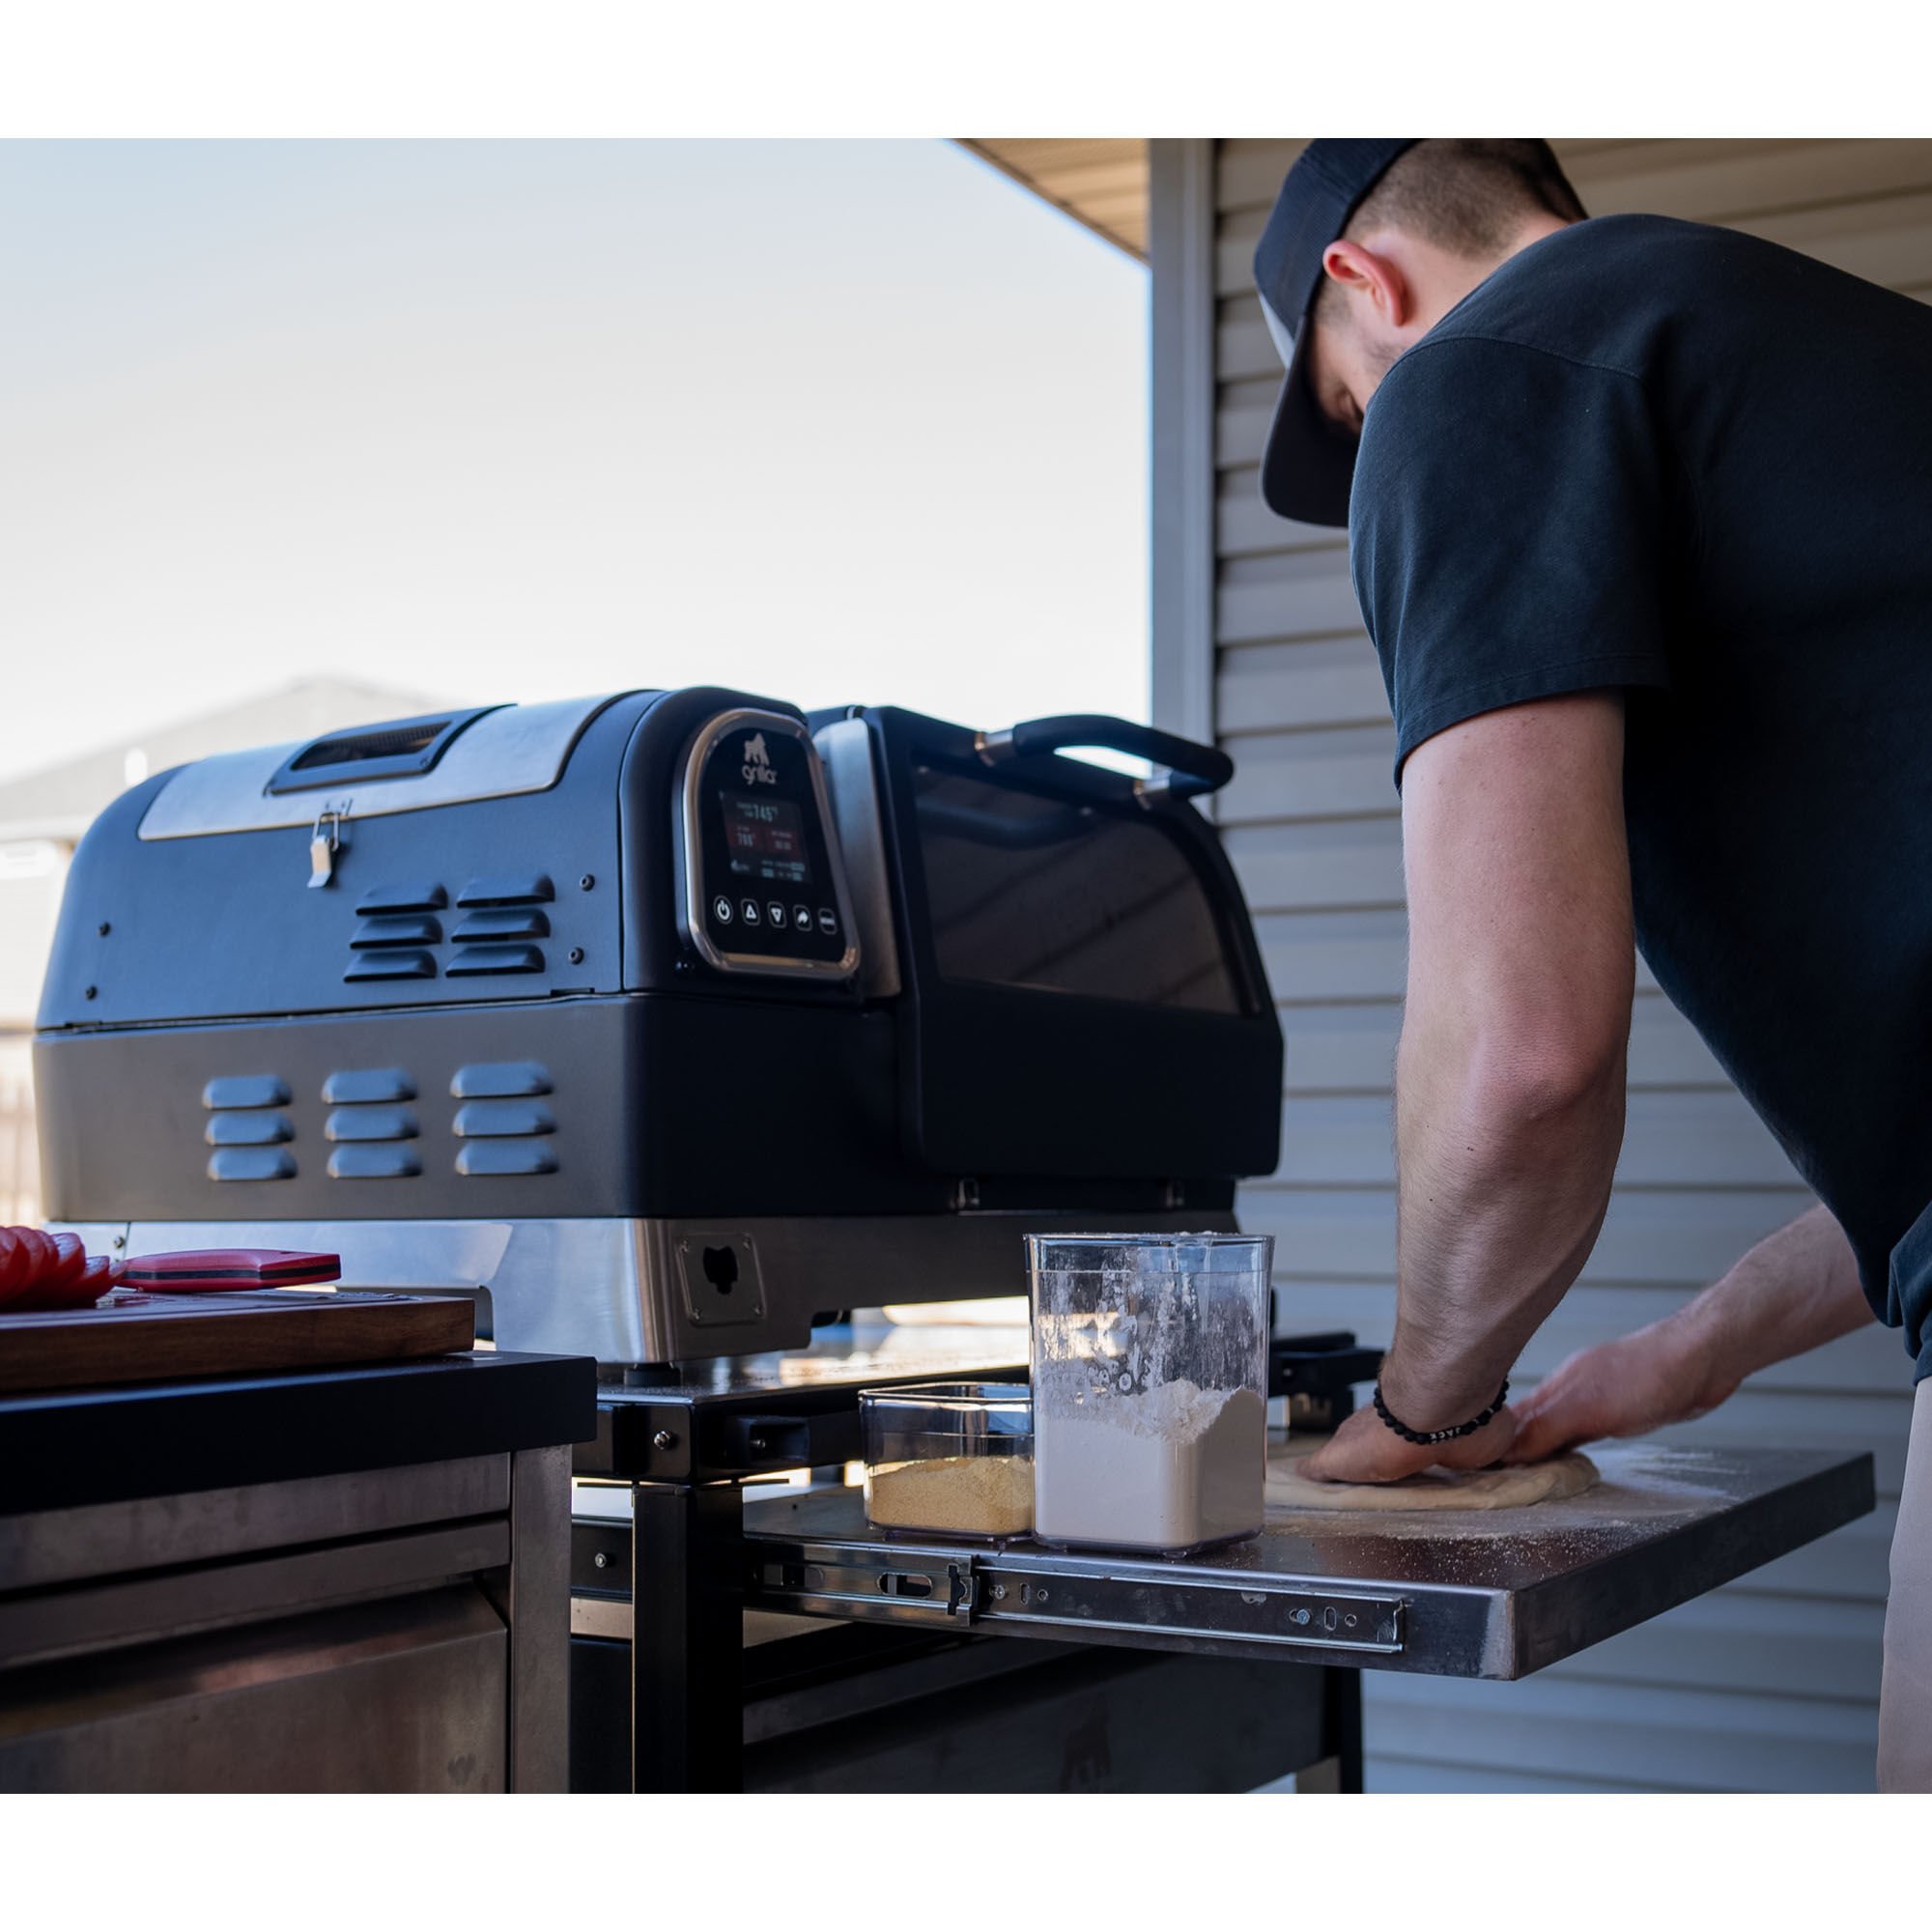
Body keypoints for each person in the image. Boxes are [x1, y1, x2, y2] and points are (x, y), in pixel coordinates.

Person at [1251, 138, 1932, 1790]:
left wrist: (1423, 1412)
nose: (1376, 435)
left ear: (1367, 284)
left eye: (1345, 410)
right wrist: (1690, 1350)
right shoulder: (1843, 358)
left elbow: (1524, 1054)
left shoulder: (1474, 373)